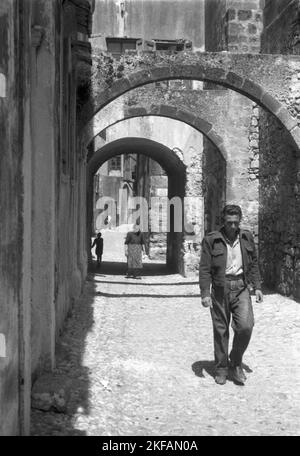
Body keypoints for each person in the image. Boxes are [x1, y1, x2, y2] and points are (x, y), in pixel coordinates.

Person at [199, 205, 263, 386]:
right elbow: (204, 269)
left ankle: (235, 362)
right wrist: (205, 293)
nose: (233, 226)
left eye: (236, 223)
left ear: (240, 221)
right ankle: (221, 368)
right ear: (223, 221)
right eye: (229, 223)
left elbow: (254, 263)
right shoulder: (212, 240)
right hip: (220, 289)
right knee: (221, 330)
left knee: (246, 326)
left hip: (241, 288)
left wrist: (257, 286)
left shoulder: (247, 237)